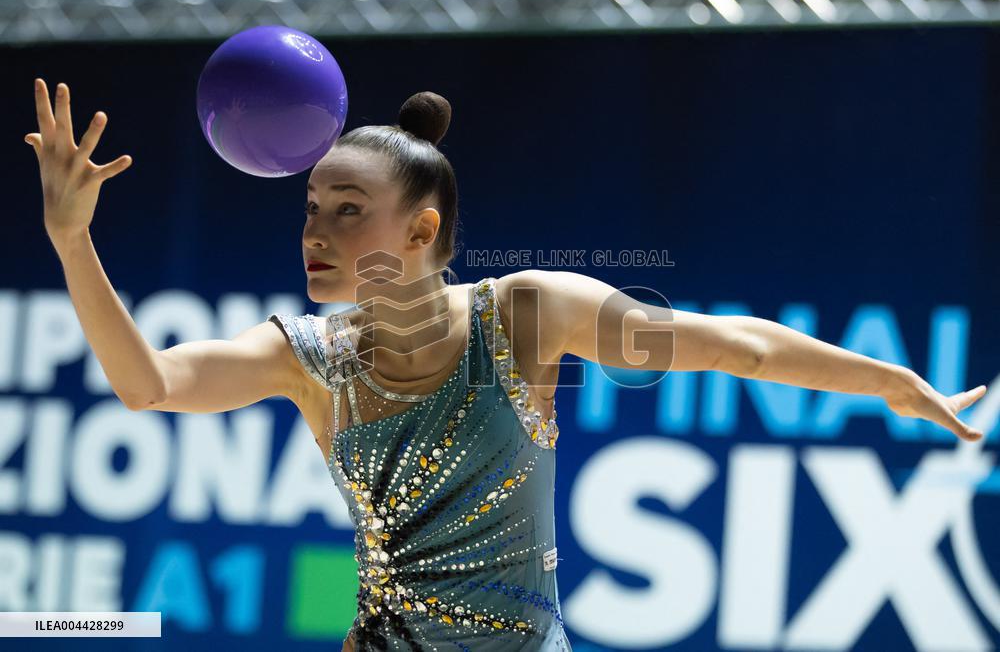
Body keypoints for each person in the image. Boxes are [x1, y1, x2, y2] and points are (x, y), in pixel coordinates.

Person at [25, 78, 988, 651]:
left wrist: (896, 384)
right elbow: (146, 383)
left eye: (348, 209)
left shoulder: (526, 318)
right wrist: (73, 242)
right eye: (311, 207)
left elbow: (735, 346)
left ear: (425, 227)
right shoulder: (305, 357)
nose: (316, 231)